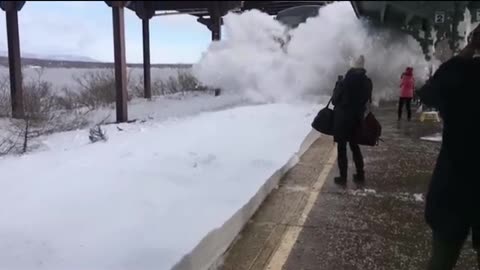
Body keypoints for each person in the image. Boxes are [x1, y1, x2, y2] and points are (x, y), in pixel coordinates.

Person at [418, 25, 480, 270]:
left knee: (441, 261)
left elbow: (429, 94)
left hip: (454, 184)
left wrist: (468, 51)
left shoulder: (461, 75)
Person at [331, 55, 373, 185]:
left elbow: (334, 100)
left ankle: (343, 177)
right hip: (357, 119)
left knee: (342, 148)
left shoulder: (344, 82)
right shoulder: (367, 82)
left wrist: (337, 85)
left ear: (352, 65)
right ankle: (360, 174)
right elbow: (367, 100)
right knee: (355, 147)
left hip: (342, 119)